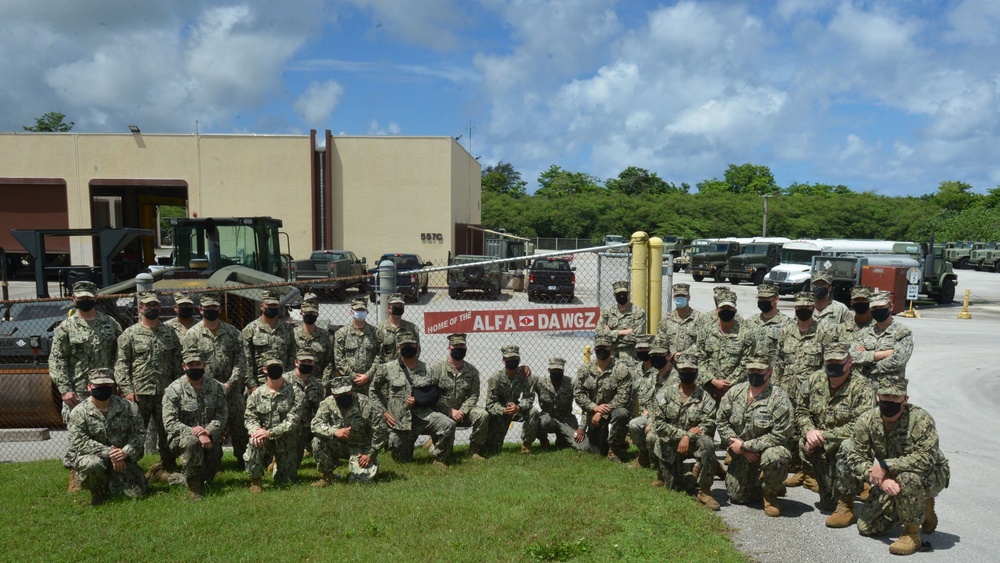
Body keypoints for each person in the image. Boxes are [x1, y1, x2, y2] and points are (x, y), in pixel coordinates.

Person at [844, 379, 949, 556]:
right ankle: (922, 506)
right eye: (886, 395)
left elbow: (926, 458)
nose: (890, 401)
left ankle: (912, 533)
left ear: (905, 399)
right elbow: (855, 457)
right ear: (878, 397)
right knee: (866, 527)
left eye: (896, 397)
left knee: (907, 478)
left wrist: (885, 465)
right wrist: (881, 480)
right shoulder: (867, 420)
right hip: (891, 476)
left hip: (930, 474)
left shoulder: (920, 419)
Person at [50, 280, 123, 491]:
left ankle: (108, 473)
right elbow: (57, 360)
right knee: (77, 434)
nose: (85, 302)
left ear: (95, 298)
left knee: (107, 430)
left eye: (88, 299)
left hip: (107, 389)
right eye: (80, 299)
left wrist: (119, 383)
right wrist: (64, 389)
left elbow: (120, 356)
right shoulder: (65, 328)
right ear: (74, 299)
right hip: (78, 390)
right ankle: (76, 475)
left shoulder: (111, 324)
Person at [795, 342, 876, 522]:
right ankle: (844, 488)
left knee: (849, 446)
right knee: (827, 505)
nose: (833, 366)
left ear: (849, 362)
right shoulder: (814, 380)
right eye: (829, 362)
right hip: (823, 449)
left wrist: (824, 435)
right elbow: (801, 411)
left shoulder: (863, 387)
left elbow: (860, 426)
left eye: (838, 362)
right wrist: (809, 432)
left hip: (848, 449)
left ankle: (847, 502)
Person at [116, 291, 183, 482]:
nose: (151, 309)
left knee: (167, 433)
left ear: (160, 308)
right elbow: (121, 365)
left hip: (165, 393)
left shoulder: (170, 333)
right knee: (136, 433)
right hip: (139, 394)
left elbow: (178, 362)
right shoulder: (129, 334)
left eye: (155, 305)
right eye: (147, 305)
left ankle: (167, 467)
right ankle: (130, 469)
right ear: (140, 308)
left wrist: (177, 389)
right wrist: (128, 390)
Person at [716, 356, 793, 517]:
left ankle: (771, 494)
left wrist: (747, 446)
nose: (755, 373)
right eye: (752, 370)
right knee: (736, 496)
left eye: (759, 371)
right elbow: (722, 421)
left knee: (776, 456)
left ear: (769, 372)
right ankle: (767, 482)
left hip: (766, 450)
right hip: (740, 452)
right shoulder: (735, 392)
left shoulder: (778, 397)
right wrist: (738, 447)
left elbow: (780, 434)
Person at [776, 291, 837, 490]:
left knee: (808, 429)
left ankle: (809, 471)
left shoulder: (824, 333)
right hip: (787, 390)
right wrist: (775, 388)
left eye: (807, 307)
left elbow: (829, 365)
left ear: (813, 308)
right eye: (799, 307)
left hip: (813, 393)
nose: (803, 310)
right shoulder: (785, 330)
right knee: (789, 430)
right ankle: (793, 467)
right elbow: (777, 362)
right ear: (795, 309)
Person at [181, 292, 249, 470]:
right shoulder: (192, 335)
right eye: (207, 308)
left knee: (240, 427)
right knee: (211, 429)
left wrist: (230, 384)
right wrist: (209, 386)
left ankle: (244, 461)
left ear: (219, 308)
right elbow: (191, 364)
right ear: (200, 309)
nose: (211, 310)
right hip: (205, 392)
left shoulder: (233, 333)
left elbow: (240, 362)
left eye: (214, 307)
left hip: (231, 390)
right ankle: (214, 462)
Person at [369, 333, 456, 467]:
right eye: (405, 345)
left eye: (411, 345)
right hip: (400, 421)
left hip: (423, 416)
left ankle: (439, 459)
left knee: (448, 424)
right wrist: (384, 413)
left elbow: (435, 395)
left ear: (417, 347)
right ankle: (405, 446)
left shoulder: (428, 369)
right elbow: (373, 391)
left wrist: (447, 410)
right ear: (399, 347)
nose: (408, 347)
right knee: (402, 460)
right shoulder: (386, 368)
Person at [67, 368, 147, 506]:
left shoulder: (128, 407)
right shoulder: (78, 412)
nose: (103, 388)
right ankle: (98, 492)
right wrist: (111, 453)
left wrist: (125, 452)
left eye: (107, 386)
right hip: (95, 457)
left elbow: (139, 433)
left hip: (123, 458)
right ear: (89, 386)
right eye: (98, 385)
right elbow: (80, 442)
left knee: (137, 494)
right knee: (91, 464)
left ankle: (114, 480)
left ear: (113, 386)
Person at [649, 356, 719, 510]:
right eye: (684, 370)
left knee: (707, 445)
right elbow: (659, 424)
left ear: (696, 372)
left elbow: (709, 423)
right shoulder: (665, 394)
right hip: (670, 444)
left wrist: (689, 437)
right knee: (675, 488)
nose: (687, 373)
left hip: (694, 444)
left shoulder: (705, 397)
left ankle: (704, 491)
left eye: (691, 370)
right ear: (678, 371)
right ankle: (686, 473)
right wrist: (684, 435)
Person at [162, 349, 228, 500]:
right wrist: (196, 432)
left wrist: (207, 432)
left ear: (204, 365)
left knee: (207, 480)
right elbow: (170, 423)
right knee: (192, 443)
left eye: (198, 364)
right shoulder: (173, 390)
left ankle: (164, 476)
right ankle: (194, 489)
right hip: (182, 441)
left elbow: (222, 415)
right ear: (183, 366)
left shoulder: (216, 387)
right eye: (190, 364)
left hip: (209, 440)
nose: (194, 367)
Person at [244, 355, 305, 492]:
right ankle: (256, 481)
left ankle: (277, 464)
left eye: (277, 368)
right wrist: (256, 431)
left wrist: (270, 432)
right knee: (253, 443)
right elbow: (250, 417)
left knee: (286, 481)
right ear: (265, 370)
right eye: (271, 368)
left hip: (286, 440)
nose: (275, 370)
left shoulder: (295, 392)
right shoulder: (256, 394)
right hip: (263, 439)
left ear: (283, 369)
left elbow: (293, 421)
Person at [311, 376, 382, 485]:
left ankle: (363, 469)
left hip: (361, 448)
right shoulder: (327, 403)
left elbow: (381, 429)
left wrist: (370, 454)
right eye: (340, 394)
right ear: (334, 394)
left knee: (360, 482)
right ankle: (328, 476)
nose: (344, 396)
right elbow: (315, 424)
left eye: (347, 393)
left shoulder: (365, 404)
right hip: (338, 445)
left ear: (352, 391)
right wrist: (334, 431)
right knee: (317, 441)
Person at [429, 333, 490, 460]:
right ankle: (436, 446)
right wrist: (449, 411)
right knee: (446, 452)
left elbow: (474, 395)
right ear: (449, 348)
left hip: (463, 411)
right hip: (442, 411)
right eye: (456, 346)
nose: (459, 349)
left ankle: (474, 450)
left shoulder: (472, 371)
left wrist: (462, 411)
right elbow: (431, 395)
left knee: (482, 415)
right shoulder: (436, 368)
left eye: (462, 346)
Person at [573, 335, 633, 462]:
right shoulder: (585, 370)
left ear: (610, 348)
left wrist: (601, 411)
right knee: (597, 452)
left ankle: (614, 449)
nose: (601, 350)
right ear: (594, 349)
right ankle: (618, 443)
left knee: (621, 414)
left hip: (612, 412)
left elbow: (623, 397)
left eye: (604, 347)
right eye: (598, 348)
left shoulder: (621, 369)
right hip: (592, 413)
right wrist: (594, 407)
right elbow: (578, 393)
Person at [693, 288, 757, 403]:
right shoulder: (705, 331)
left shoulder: (746, 334)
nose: (726, 310)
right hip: (708, 389)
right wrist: (713, 381)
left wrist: (728, 384)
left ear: (735, 310)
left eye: (729, 308)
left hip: (735, 391)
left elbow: (746, 362)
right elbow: (699, 358)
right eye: (723, 308)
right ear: (717, 310)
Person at [850, 291, 914, 387]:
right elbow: (852, 356)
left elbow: (899, 360)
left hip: (890, 391)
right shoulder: (864, 332)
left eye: (881, 307)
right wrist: (882, 354)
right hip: (865, 388)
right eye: (874, 308)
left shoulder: (903, 332)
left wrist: (867, 363)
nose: (878, 310)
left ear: (890, 307)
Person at [627, 342, 675, 469]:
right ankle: (644, 457)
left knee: (650, 434)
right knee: (635, 424)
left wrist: (652, 421)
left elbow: (671, 408)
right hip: (655, 415)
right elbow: (654, 401)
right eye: (653, 355)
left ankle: (659, 462)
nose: (656, 358)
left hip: (671, 419)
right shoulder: (655, 375)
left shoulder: (675, 378)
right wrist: (650, 415)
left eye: (660, 355)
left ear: (669, 356)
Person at [485, 345, 537, 455]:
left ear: (519, 360)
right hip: (500, 411)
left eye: (514, 359)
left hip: (517, 409)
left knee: (533, 412)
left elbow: (529, 397)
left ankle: (526, 446)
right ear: (503, 360)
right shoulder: (496, 378)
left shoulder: (525, 375)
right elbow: (490, 404)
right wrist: (503, 410)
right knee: (493, 450)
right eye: (509, 359)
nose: (512, 361)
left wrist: (519, 407)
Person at [242, 290, 296, 393]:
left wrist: (287, 380)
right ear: (262, 306)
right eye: (269, 305)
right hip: (258, 385)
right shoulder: (250, 329)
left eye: (275, 305)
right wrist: (251, 385)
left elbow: (292, 356)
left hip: (282, 384)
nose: (272, 307)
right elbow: (246, 360)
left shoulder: (287, 329)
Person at [522, 357, 582, 451]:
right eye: (554, 370)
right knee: (541, 421)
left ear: (563, 370)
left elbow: (583, 402)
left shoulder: (571, 383)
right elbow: (523, 378)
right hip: (548, 417)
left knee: (582, 446)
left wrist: (581, 428)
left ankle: (562, 439)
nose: (556, 372)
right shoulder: (540, 382)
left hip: (566, 419)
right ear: (549, 370)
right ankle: (543, 440)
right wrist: (523, 367)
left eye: (559, 370)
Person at [330, 298, 380, 394]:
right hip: (348, 383)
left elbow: (380, 356)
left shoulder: (375, 333)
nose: (360, 312)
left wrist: (367, 375)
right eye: (357, 310)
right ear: (351, 312)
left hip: (370, 382)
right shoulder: (342, 333)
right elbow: (338, 358)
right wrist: (352, 375)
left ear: (367, 312)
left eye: (362, 310)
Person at [286, 348, 325, 468]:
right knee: (289, 469)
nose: (307, 364)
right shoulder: (284, 381)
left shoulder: (317, 385)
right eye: (304, 361)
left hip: (307, 428)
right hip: (288, 428)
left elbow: (320, 410)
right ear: (296, 362)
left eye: (310, 362)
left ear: (314, 364)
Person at [597, 281, 647, 360]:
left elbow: (636, 337)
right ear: (614, 295)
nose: (621, 296)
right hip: (610, 359)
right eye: (618, 294)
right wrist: (623, 332)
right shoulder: (607, 312)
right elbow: (598, 334)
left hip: (631, 359)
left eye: (624, 293)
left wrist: (610, 334)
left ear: (628, 293)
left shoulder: (638, 312)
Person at [744, 283, 792, 365]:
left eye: (766, 299)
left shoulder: (788, 324)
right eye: (760, 299)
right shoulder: (750, 322)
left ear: (776, 299)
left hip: (774, 373)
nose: (762, 302)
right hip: (752, 371)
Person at [294, 293, 334, 389]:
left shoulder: (325, 336)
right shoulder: (293, 334)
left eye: (313, 313)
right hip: (296, 381)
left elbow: (329, 362)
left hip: (318, 381)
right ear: (301, 313)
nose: (310, 315)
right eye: (307, 313)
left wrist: (323, 384)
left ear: (317, 314)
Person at [653, 283, 703, 356]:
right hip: (671, 361)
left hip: (691, 362)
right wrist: (672, 355)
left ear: (689, 297)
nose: (680, 298)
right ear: (673, 297)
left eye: (683, 296)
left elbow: (701, 342)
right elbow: (660, 341)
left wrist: (683, 354)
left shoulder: (699, 318)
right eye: (677, 296)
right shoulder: (667, 319)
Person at [374, 293, 421, 364]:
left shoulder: (411, 328)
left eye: (400, 306)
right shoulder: (380, 329)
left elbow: (417, 350)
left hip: (406, 368)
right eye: (395, 306)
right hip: (387, 370)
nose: (398, 308)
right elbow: (376, 354)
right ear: (389, 308)